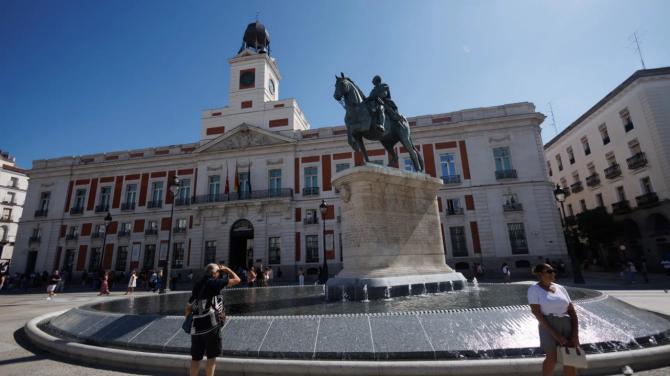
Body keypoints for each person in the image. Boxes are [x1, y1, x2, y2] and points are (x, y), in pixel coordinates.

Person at [185, 263, 240, 376]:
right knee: (211, 359)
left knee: (195, 359)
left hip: (196, 327)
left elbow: (188, 306)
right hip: (211, 327)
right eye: (219, 272)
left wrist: (188, 319)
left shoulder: (198, 285)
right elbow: (237, 280)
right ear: (214, 273)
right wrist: (228, 269)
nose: (220, 275)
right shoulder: (214, 282)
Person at [528, 263, 581, 376]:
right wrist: (557, 336)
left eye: (553, 270)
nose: (553, 273)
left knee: (570, 358)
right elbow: (537, 313)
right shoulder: (534, 289)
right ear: (541, 274)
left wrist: (575, 334)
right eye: (549, 271)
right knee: (551, 359)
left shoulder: (560, 288)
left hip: (566, 324)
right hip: (548, 326)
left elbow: (571, 310)